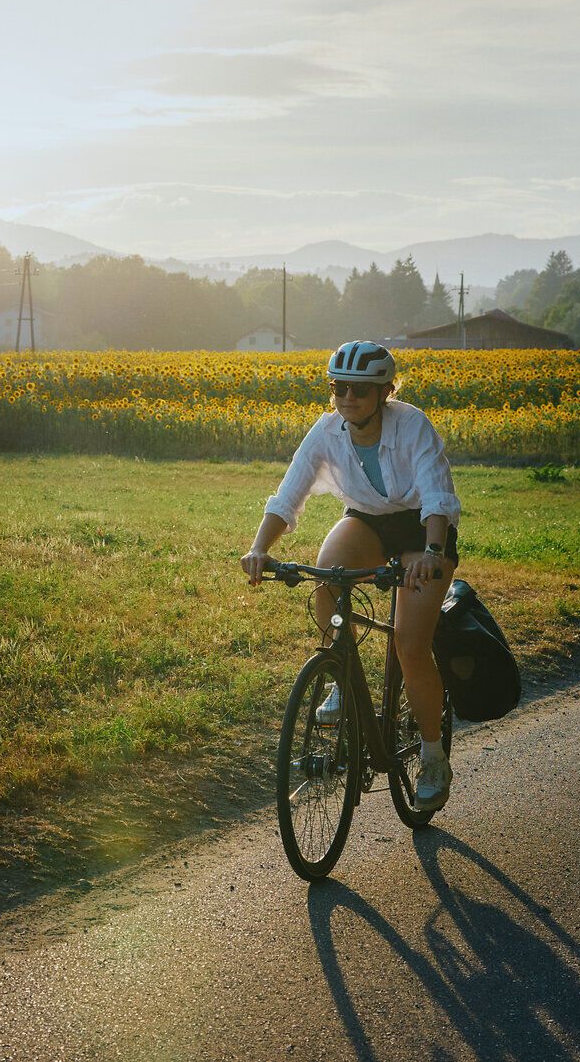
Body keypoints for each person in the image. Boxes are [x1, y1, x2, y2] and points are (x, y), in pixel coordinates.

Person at [239, 339, 463, 811]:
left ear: (384, 391)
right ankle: (342, 679)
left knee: (409, 643)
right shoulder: (326, 431)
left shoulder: (412, 425)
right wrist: (260, 548)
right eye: (339, 388)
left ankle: (432, 757)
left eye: (359, 390)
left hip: (422, 528)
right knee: (328, 576)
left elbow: (437, 493)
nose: (347, 398)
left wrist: (433, 551)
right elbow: (288, 495)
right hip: (366, 521)